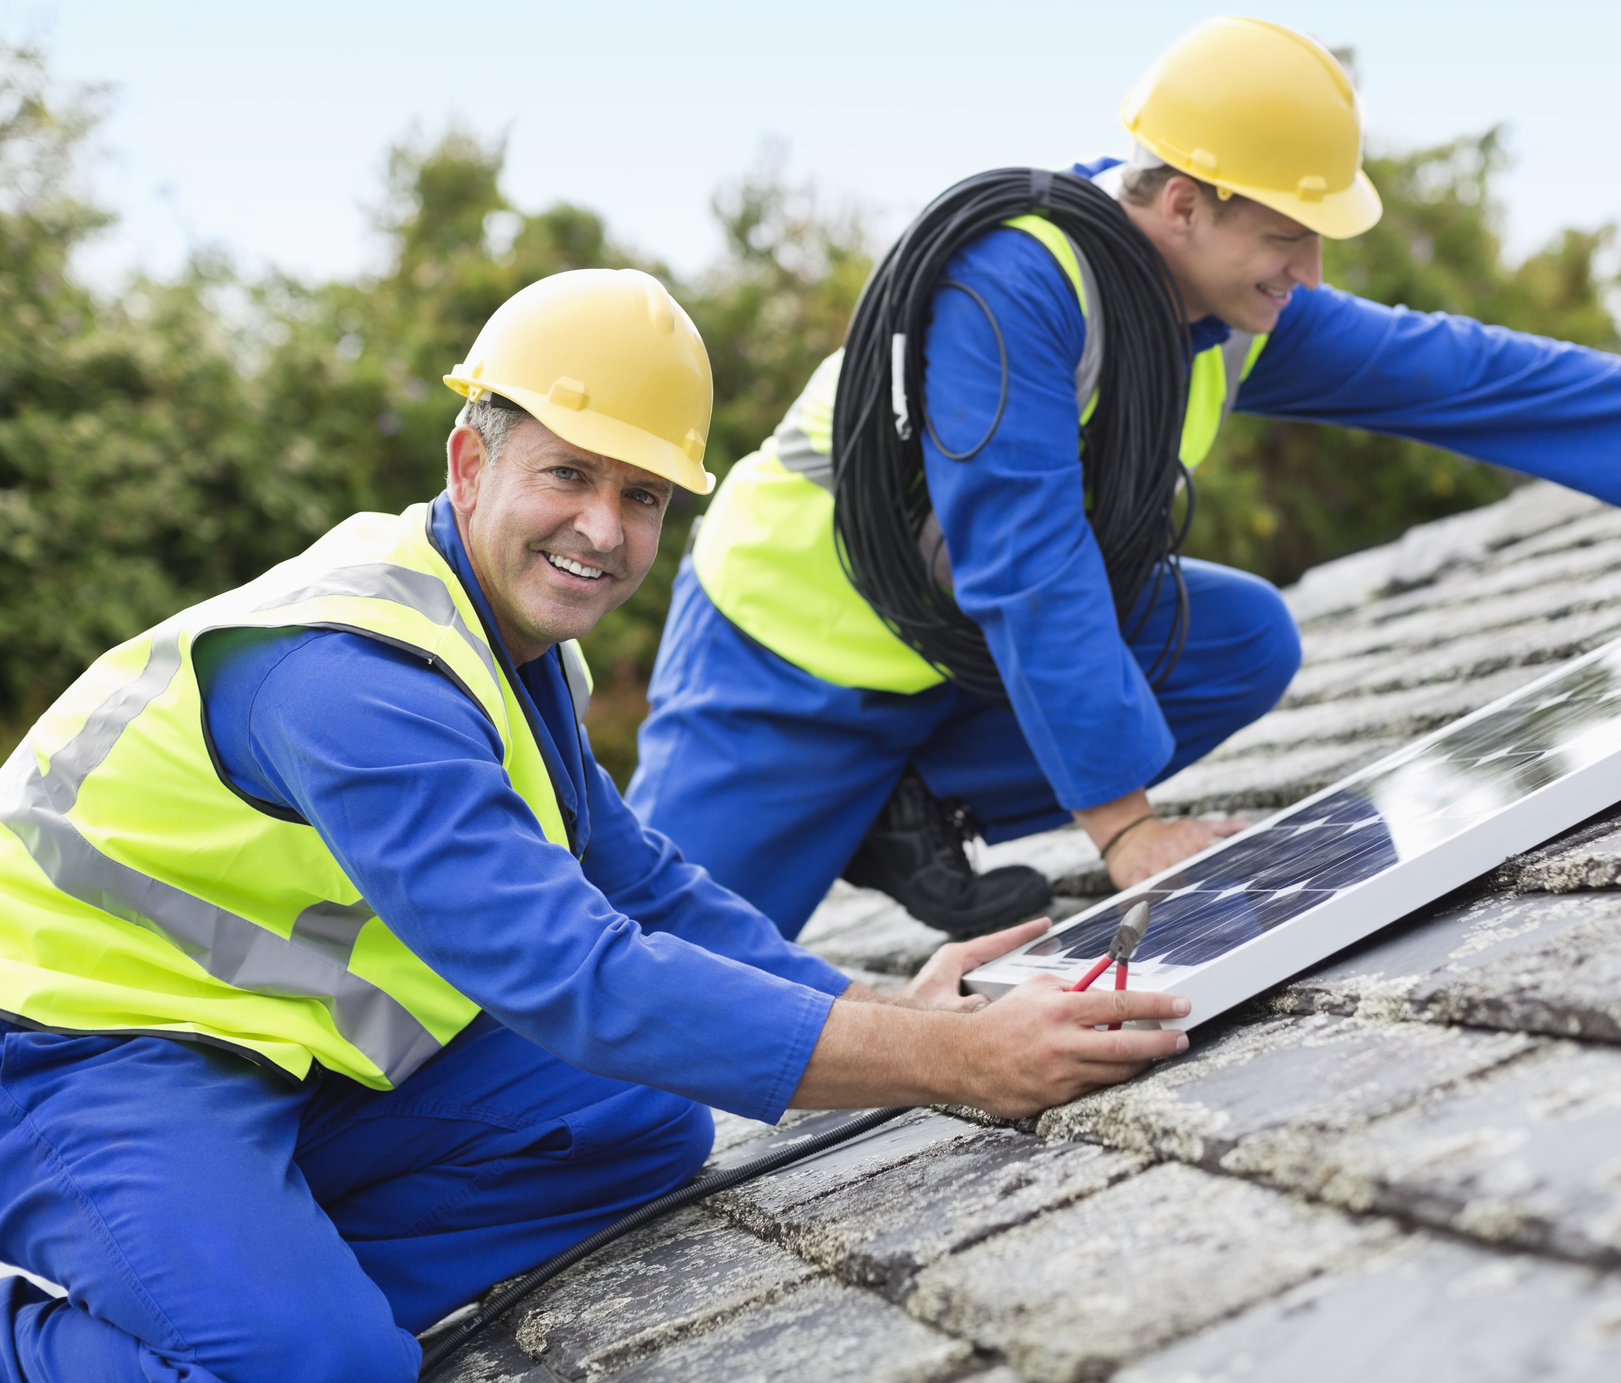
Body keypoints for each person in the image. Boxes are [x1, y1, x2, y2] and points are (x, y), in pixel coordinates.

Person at [0, 269, 1183, 1383]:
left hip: (263, 1060)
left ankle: (252, 1296)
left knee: (638, 1121)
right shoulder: (355, 684)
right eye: (568, 474)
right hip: (77, 1058)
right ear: (470, 463)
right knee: (332, 1368)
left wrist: (887, 1013)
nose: (604, 530)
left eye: (641, 495)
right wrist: (958, 1064)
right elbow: (575, 974)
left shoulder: (504, 647)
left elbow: (643, 888)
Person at [626, 16, 1621, 939]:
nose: (1308, 273)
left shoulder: (1228, 308)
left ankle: (903, 802)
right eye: (1287, 235)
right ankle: (856, 802)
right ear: (1184, 203)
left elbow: (1448, 367)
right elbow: (1024, 556)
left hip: (948, 668)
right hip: (784, 666)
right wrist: (1125, 828)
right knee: (648, 981)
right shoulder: (1016, 281)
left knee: (1236, 639)